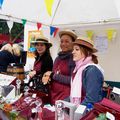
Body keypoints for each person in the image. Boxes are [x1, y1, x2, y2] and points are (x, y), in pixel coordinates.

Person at [42, 29, 77, 105]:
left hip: (65, 97)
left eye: (67, 41)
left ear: (73, 44)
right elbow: (54, 74)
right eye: (61, 41)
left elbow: (73, 80)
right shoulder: (58, 58)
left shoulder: (74, 59)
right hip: (54, 94)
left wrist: (53, 76)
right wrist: (48, 78)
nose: (63, 44)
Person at [71, 36, 104, 106]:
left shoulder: (92, 70)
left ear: (87, 52)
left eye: (77, 49)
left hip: (88, 113)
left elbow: (91, 100)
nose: (73, 52)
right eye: (73, 49)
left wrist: (76, 113)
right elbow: (74, 94)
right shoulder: (78, 69)